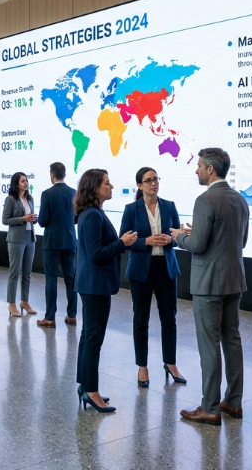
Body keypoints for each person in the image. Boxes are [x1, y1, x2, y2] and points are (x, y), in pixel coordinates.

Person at [170, 148, 249, 426]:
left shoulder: (205, 200)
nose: (196, 170)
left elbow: (198, 246)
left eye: (199, 166)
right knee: (232, 340)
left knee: (209, 345)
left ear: (210, 169)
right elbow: (240, 241)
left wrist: (180, 236)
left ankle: (210, 407)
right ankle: (234, 403)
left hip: (208, 284)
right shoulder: (240, 200)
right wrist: (198, 234)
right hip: (234, 280)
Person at [75, 168, 137, 413]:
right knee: (93, 338)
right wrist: (121, 243)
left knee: (88, 336)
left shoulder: (95, 212)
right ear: (94, 188)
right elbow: (95, 253)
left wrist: (120, 242)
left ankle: (85, 385)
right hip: (94, 284)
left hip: (94, 283)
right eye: (107, 183)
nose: (111, 187)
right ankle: (91, 391)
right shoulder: (91, 215)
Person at [119, 167, 185, 388]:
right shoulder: (131, 209)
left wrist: (171, 239)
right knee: (141, 320)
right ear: (139, 185)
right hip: (141, 270)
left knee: (169, 319)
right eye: (148, 180)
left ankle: (170, 363)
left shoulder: (169, 206)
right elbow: (124, 240)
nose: (154, 183)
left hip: (166, 268)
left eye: (156, 179)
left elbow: (177, 237)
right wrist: (146, 242)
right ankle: (142, 366)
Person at [37, 162, 78, 328]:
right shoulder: (74, 193)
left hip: (52, 242)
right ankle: (72, 315)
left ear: (51, 175)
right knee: (71, 280)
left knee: (51, 280)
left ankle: (50, 317)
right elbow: (76, 218)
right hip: (69, 241)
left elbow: (42, 221)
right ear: (65, 175)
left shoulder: (47, 194)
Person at [2, 172, 38, 318]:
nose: (26, 183)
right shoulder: (10, 199)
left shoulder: (30, 199)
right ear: (16, 183)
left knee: (27, 273)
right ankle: (11, 304)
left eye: (27, 181)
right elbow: (5, 220)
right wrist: (22, 218)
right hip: (16, 239)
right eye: (23, 181)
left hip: (30, 238)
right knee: (14, 272)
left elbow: (31, 217)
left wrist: (34, 219)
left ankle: (25, 301)